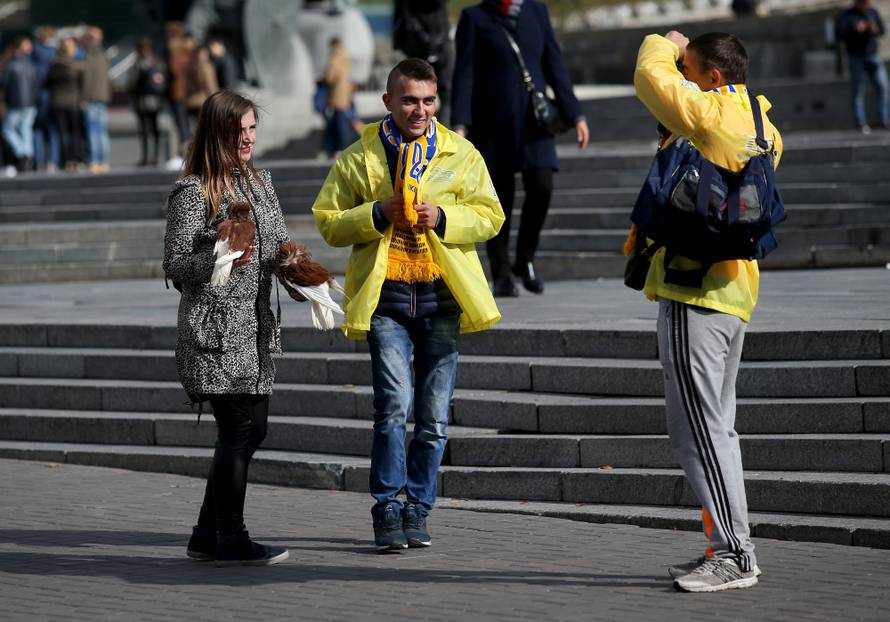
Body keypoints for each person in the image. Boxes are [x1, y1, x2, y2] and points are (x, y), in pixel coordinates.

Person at [312, 59, 504, 551]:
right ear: (388, 102)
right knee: (394, 406)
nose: (419, 110)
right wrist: (377, 212)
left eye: (428, 100)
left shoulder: (461, 152)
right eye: (409, 100)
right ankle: (387, 507)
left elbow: (491, 216)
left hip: (442, 298)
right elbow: (329, 220)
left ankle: (419, 507)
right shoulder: (359, 157)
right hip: (387, 302)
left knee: (435, 417)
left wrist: (443, 216)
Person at [632, 30, 783, 592]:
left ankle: (733, 554)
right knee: (718, 429)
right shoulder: (763, 126)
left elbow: (650, 78)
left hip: (692, 292)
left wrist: (662, 42)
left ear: (714, 77)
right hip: (735, 293)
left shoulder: (711, 113)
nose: (682, 74)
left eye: (690, 69)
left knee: (697, 433)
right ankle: (730, 548)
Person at [163, 89, 292, 567]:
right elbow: (174, 263)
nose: (247, 139)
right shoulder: (194, 191)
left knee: (248, 429)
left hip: (254, 330)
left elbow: (277, 244)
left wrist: (297, 268)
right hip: (215, 333)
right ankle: (231, 536)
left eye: (253, 128)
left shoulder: (260, 183)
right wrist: (220, 255)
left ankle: (205, 534)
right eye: (238, 130)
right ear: (216, 133)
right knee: (241, 428)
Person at [452, 0, 589, 297]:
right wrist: (461, 123)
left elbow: (554, 64)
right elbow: (464, 72)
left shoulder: (536, 12)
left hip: (535, 123)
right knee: (498, 200)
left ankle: (525, 259)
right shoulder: (474, 17)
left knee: (543, 184)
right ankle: (501, 273)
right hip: (493, 125)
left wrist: (574, 114)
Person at [393, 0, 453, 125]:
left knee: (443, 92)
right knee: (420, 92)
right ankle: (429, 132)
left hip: (430, 41)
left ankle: (438, 133)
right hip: (422, 42)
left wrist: (398, 41)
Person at [836, 0, 888, 133]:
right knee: (857, 90)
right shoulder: (847, 15)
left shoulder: (872, 12)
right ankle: (860, 123)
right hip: (855, 56)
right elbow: (839, 34)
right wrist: (855, 30)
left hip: (872, 55)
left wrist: (874, 28)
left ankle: (883, 119)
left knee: (883, 86)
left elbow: (882, 30)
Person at [45, 37, 83, 172]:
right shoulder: (77, 64)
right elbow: (82, 84)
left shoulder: (54, 64)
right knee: (75, 132)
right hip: (73, 102)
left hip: (58, 101)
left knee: (62, 133)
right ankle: (75, 160)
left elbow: (46, 83)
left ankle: (65, 160)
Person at [1, 36, 38, 172]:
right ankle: (28, 154)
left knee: (7, 130)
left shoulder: (11, 65)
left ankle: (21, 152)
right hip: (30, 104)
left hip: (15, 103)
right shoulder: (31, 65)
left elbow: (4, 84)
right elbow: (36, 85)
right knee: (26, 130)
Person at [128, 37, 166, 166]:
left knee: (144, 130)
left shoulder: (138, 63)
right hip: (155, 101)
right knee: (155, 128)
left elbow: (131, 83)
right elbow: (163, 81)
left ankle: (145, 157)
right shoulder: (158, 62)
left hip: (142, 101)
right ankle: (155, 156)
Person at [81, 26, 112, 173]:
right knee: (102, 131)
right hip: (103, 97)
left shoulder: (86, 55)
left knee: (93, 131)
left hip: (91, 98)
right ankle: (104, 161)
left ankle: (94, 161)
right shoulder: (104, 55)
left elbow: (86, 80)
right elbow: (108, 79)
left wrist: (83, 97)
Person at [31, 26, 60, 173]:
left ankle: (38, 160)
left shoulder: (34, 53)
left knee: (37, 129)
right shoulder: (56, 53)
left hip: (37, 95)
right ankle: (53, 161)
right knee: (53, 130)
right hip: (53, 95)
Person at [321, 37, 354, 158]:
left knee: (335, 124)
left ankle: (335, 149)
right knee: (341, 122)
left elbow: (330, 77)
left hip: (335, 96)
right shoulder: (346, 57)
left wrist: (324, 77)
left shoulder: (334, 58)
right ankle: (340, 148)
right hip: (345, 95)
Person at [165, 22, 193, 156]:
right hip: (189, 92)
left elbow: (174, 70)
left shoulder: (175, 50)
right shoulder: (189, 49)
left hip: (179, 91)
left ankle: (185, 152)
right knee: (186, 123)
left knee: (182, 124)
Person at [186, 41, 219, 130]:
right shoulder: (207, 67)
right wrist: (216, 100)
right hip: (204, 101)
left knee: (197, 130)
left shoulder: (191, 66)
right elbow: (210, 86)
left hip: (192, 101)